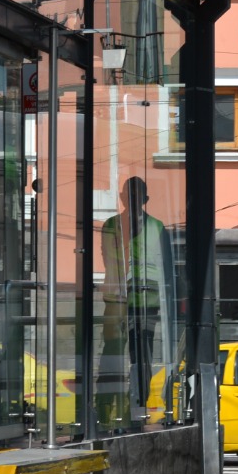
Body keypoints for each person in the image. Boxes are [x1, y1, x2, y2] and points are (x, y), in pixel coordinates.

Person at [100, 176, 176, 428]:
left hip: (144, 299)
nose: (131, 201)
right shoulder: (113, 225)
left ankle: (135, 408)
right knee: (115, 354)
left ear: (144, 200)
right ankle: (107, 409)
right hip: (121, 298)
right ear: (123, 199)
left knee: (139, 355)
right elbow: (112, 261)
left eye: (135, 197)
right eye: (128, 196)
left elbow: (164, 266)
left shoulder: (155, 227)